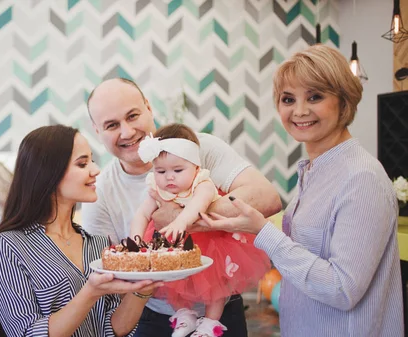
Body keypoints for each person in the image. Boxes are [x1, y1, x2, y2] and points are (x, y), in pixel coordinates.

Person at [200, 44, 404, 336]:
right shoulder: (313, 171)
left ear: (344, 101)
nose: (299, 111)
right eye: (287, 99)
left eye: (315, 96)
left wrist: (264, 233)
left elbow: (342, 289)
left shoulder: (362, 179)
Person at [82, 78, 282, 337]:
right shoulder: (100, 192)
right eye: (111, 125)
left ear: (149, 108)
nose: (127, 132)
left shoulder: (199, 148)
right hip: (150, 314)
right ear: (97, 131)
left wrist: (182, 217)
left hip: (222, 305)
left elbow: (267, 197)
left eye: (133, 116)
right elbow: (106, 269)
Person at [0, 125, 164, 337]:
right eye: (82, 164)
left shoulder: (99, 244)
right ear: (49, 173)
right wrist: (90, 292)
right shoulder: (8, 245)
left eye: (91, 161)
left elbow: (111, 329)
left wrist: (143, 289)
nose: (95, 170)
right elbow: (27, 333)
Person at [129, 123, 271, 336]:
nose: (169, 177)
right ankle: (184, 314)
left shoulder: (202, 183)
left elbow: (197, 206)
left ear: (195, 167)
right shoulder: (156, 189)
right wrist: (136, 242)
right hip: (175, 246)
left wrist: (180, 222)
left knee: (216, 285)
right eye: (161, 171)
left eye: (178, 170)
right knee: (174, 281)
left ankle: (210, 323)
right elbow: (142, 214)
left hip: (212, 244)